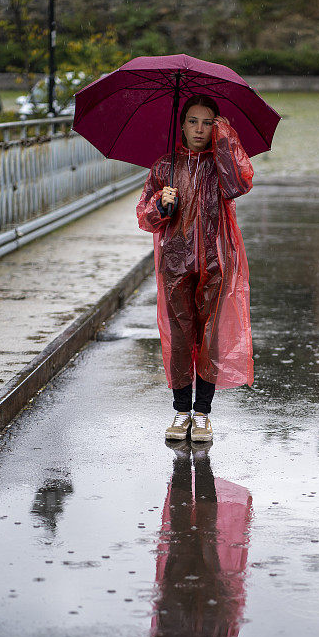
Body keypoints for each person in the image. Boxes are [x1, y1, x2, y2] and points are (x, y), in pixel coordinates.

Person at [136, 94, 254, 442]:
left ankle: (202, 413)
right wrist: (162, 204)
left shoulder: (222, 164)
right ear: (182, 124)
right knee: (180, 337)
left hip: (217, 262)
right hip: (175, 263)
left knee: (210, 338)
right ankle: (180, 411)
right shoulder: (164, 167)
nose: (199, 129)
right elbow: (145, 216)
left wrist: (225, 139)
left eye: (207, 122)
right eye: (192, 121)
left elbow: (239, 185)